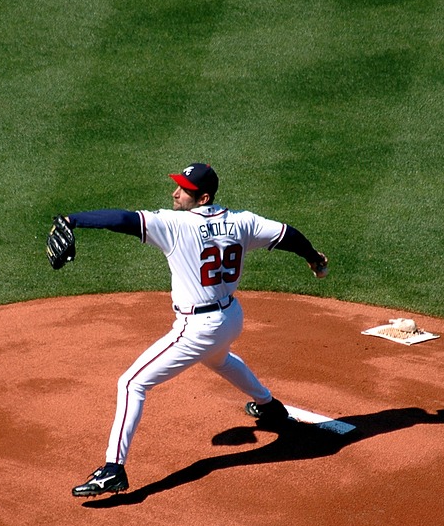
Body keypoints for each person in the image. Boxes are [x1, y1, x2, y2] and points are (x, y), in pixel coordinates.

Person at [66, 162, 328, 497]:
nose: (175, 193)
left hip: (198, 327)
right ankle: (268, 406)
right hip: (230, 317)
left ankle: (113, 469)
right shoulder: (242, 221)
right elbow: (286, 234)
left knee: (131, 382)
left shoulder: (176, 224)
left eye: (184, 190)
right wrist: (313, 258)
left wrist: (74, 220)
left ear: (202, 197)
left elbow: (123, 219)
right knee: (219, 360)